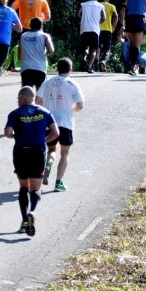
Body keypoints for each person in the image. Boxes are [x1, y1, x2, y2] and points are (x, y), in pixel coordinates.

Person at [4, 86, 59, 236]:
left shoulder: (15, 113)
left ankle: (23, 222)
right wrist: (43, 140)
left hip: (21, 151)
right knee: (36, 188)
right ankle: (32, 212)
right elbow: (56, 133)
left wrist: (17, 136)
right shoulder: (45, 112)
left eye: (18, 99)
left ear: (23, 98)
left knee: (23, 187)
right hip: (38, 151)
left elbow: (7, 133)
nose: (17, 102)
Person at [36, 59, 84, 192]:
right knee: (65, 153)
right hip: (66, 123)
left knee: (51, 150)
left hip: (49, 123)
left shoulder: (47, 82)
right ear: (71, 69)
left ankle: (47, 166)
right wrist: (70, 109)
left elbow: (37, 100)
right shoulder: (73, 83)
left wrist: (44, 112)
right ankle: (58, 183)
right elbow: (80, 105)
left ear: (57, 69)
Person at [19, 18, 54, 90]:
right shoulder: (45, 36)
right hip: (40, 68)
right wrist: (44, 55)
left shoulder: (23, 36)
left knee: (27, 93)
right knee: (40, 94)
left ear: (30, 26)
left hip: (26, 68)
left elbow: (19, 55)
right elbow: (51, 50)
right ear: (41, 26)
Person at [78, 0, 106, 73]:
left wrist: (83, 20)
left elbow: (78, 15)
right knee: (94, 49)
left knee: (85, 47)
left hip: (84, 28)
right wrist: (98, 22)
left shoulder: (83, 5)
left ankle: (84, 59)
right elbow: (103, 18)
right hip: (95, 29)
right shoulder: (100, 6)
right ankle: (88, 66)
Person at [97, 0, 118, 72]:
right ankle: (103, 61)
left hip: (98, 29)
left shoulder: (97, 5)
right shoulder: (111, 6)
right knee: (107, 50)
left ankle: (96, 65)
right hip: (108, 30)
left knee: (97, 48)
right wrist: (113, 26)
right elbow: (116, 16)